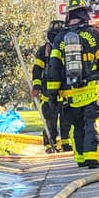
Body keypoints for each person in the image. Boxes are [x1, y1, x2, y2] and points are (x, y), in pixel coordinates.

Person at [44, 0, 99, 168]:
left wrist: (52, 95)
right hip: (92, 89)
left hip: (69, 95)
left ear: (68, 16)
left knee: (77, 126)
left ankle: (80, 158)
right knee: (93, 122)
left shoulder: (60, 38)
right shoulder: (94, 34)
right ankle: (93, 158)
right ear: (84, 14)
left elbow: (54, 68)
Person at [30, 19, 68, 154]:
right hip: (47, 93)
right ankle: (50, 144)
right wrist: (36, 87)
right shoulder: (43, 51)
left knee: (66, 121)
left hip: (65, 92)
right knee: (50, 121)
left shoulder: (67, 48)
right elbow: (37, 70)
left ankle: (66, 144)